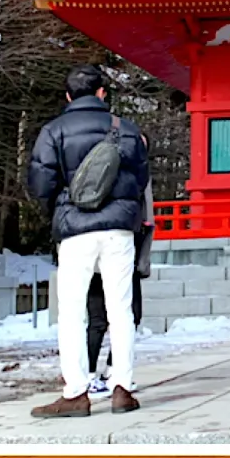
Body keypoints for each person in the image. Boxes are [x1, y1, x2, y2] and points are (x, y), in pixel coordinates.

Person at [27, 63, 147, 417]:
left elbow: (40, 185)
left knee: (73, 312)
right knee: (120, 309)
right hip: (118, 230)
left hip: (75, 228)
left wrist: (62, 208)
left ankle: (76, 392)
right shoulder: (125, 130)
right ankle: (122, 388)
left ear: (67, 96)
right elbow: (140, 180)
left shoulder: (53, 131)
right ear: (101, 94)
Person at [87, 134, 155, 395]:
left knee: (130, 314)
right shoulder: (121, 174)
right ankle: (91, 373)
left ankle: (114, 369)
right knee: (99, 319)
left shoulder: (139, 173)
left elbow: (147, 220)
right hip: (107, 251)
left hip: (127, 253)